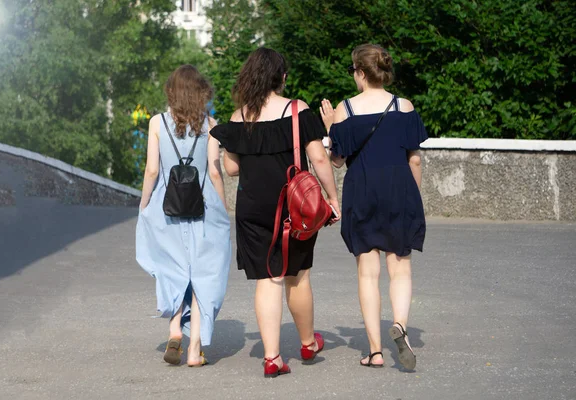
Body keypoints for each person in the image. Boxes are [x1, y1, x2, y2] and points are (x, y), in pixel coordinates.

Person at [210, 47, 340, 378]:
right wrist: (332, 197)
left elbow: (231, 169)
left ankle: (271, 357)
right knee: (297, 275)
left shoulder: (239, 117)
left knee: (268, 280)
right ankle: (308, 343)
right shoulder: (298, 111)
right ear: (281, 78)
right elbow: (320, 159)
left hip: (252, 208)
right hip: (293, 208)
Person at [320, 44, 427, 370]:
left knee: (368, 274)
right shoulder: (403, 105)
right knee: (400, 268)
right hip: (399, 192)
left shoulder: (344, 110)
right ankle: (401, 327)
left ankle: (376, 352)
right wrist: (413, 198)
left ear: (362, 73)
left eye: (354, 71)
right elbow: (415, 158)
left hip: (362, 192)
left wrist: (329, 128)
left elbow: (337, 161)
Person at [136, 65, 231, 367]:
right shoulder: (210, 124)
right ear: (201, 91)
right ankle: (195, 350)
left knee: (173, 268)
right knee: (205, 273)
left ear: (171, 91)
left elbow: (152, 170)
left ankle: (175, 329)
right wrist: (224, 208)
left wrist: (144, 203)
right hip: (204, 207)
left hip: (167, 206)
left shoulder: (157, 123)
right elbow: (214, 171)